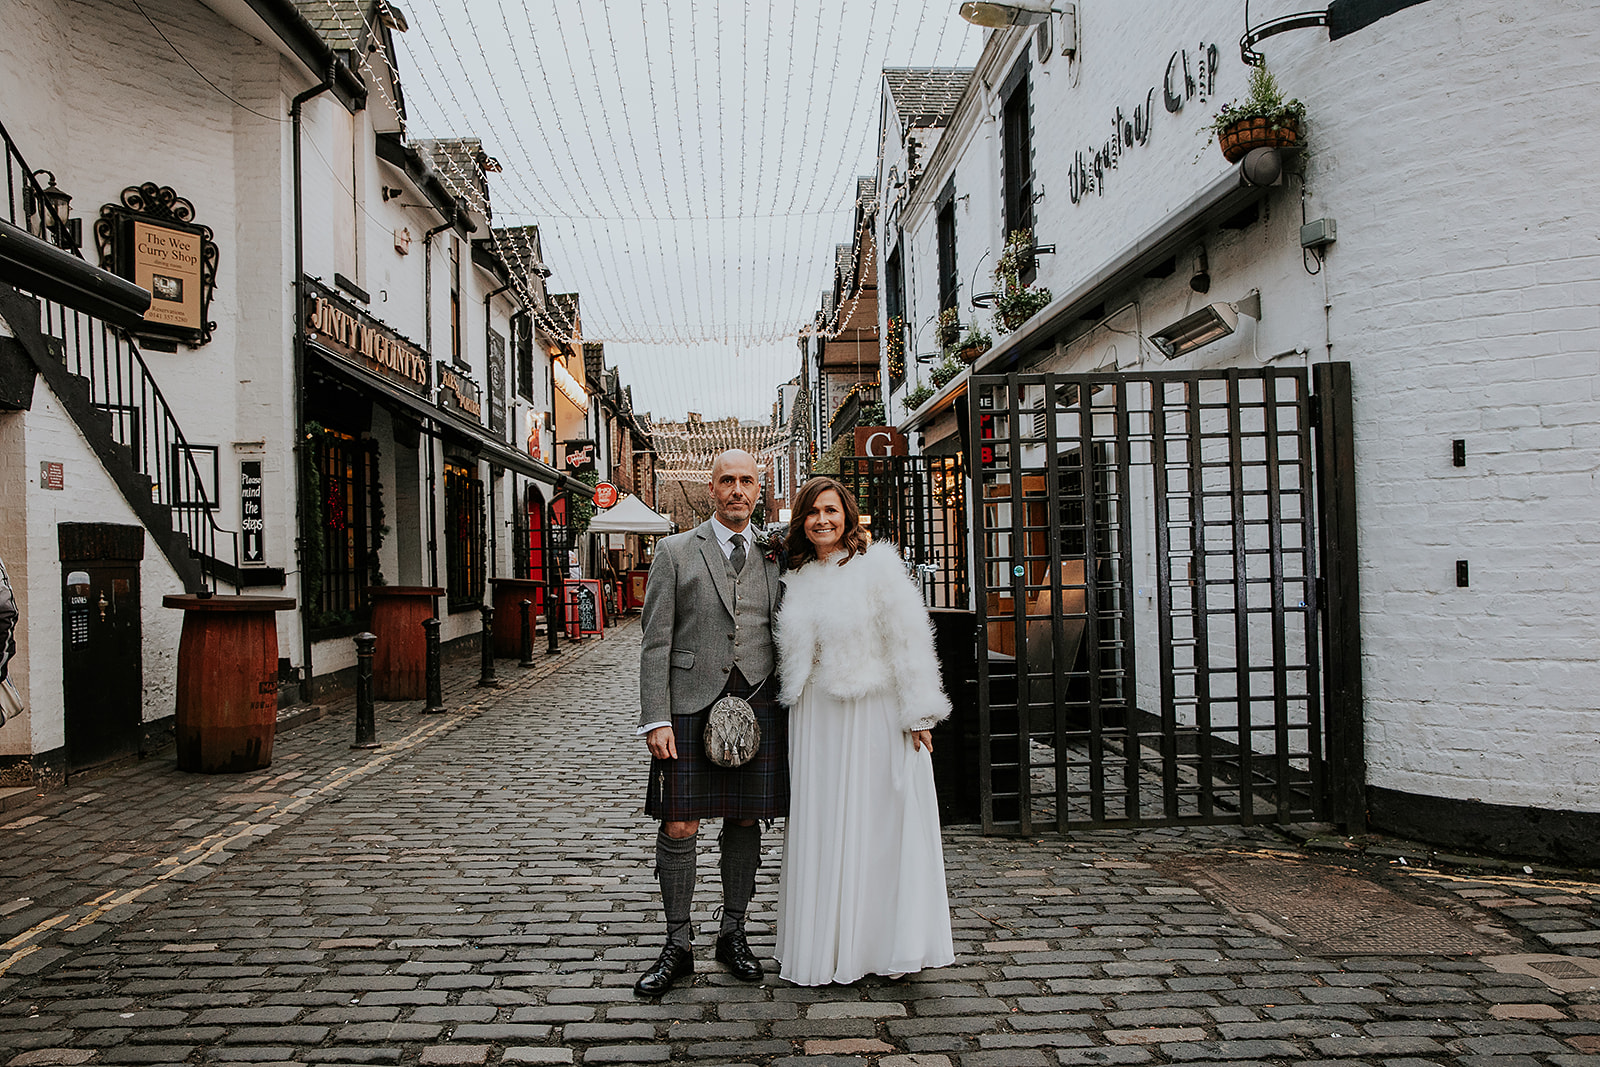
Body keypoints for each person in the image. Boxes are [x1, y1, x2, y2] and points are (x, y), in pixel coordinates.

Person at [773, 476, 955, 985]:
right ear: (802, 521)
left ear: (848, 516)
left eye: (831, 511)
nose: (822, 520)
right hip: (814, 718)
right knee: (824, 825)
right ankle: (826, 945)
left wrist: (919, 714)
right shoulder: (798, 575)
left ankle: (873, 945)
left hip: (869, 711)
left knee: (875, 825)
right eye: (812, 512)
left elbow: (910, 639)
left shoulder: (878, 568)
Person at [634, 448, 787, 996]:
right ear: (711, 489)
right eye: (727, 480)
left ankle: (733, 933)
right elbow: (654, 643)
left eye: (747, 481)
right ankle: (677, 943)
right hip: (689, 704)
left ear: (759, 487)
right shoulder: (675, 551)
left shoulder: (775, 553)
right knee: (679, 824)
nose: (737, 490)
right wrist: (656, 718)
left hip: (760, 699)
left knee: (745, 822)